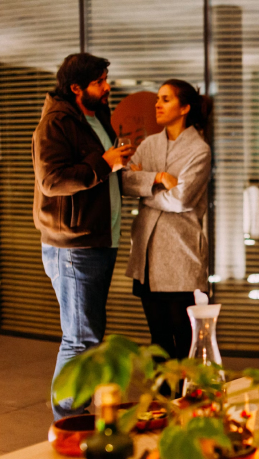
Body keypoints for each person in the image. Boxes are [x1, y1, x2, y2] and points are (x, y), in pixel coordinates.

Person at [32, 53, 134, 419]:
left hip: (98, 240)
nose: (107, 86)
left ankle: (75, 414)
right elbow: (52, 180)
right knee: (79, 340)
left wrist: (117, 163)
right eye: (99, 81)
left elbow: (103, 167)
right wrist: (104, 163)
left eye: (106, 78)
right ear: (76, 88)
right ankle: (67, 419)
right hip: (73, 246)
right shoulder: (55, 123)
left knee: (89, 336)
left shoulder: (96, 116)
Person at [122, 79, 211, 360]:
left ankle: (185, 389)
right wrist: (159, 178)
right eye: (157, 99)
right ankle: (162, 389)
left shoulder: (199, 150)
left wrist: (144, 187)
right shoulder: (149, 144)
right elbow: (124, 182)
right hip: (147, 257)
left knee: (185, 341)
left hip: (180, 258)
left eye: (165, 99)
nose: (157, 105)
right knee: (158, 340)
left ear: (184, 108)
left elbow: (181, 199)